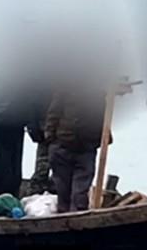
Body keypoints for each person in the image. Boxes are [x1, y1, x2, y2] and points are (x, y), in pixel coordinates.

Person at [45, 82, 109, 213]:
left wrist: (103, 137)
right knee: (63, 192)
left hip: (85, 148)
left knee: (79, 196)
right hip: (63, 146)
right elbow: (53, 114)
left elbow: (100, 117)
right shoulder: (65, 87)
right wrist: (51, 140)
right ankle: (64, 218)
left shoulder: (97, 92)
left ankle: (75, 217)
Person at [0, 71, 28, 199]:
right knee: (9, 172)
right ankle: (5, 199)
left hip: (1, 124)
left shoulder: (5, 76)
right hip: (11, 126)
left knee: (1, 170)